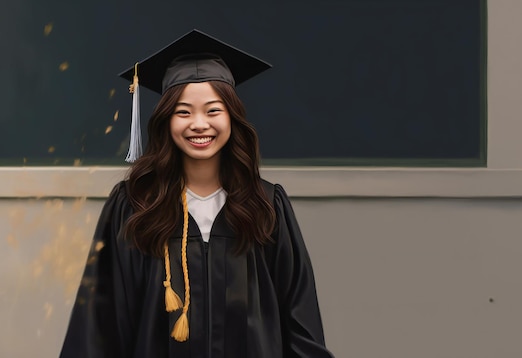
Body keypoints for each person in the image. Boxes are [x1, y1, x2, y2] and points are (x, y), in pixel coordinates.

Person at [60, 29, 334, 358]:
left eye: (213, 111)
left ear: (232, 118)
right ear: (166, 121)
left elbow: (300, 322)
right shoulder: (134, 205)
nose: (199, 124)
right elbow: (98, 326)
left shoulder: (265, 205)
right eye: (183, 112)